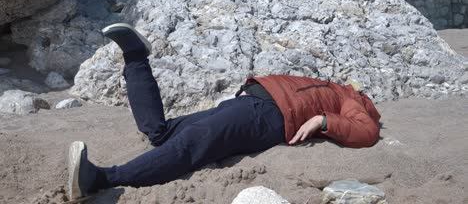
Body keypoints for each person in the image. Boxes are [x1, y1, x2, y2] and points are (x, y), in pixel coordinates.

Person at [68, 23, 381, 200]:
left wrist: (324, 119)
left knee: (193, 140)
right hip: (247, 102)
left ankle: (101, 179)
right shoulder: (337, 90)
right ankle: (136, 57)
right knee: (162, 133)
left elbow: (366, 133)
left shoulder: (351, 100)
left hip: (268, 115)